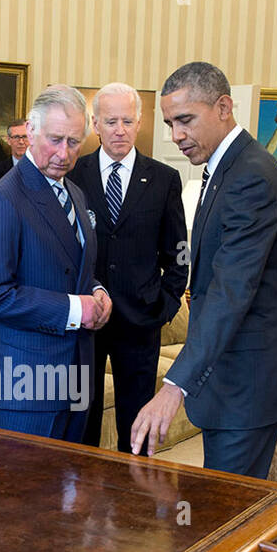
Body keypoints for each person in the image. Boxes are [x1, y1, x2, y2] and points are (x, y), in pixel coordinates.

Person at [131, 62, 277, 478]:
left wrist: (174, 386)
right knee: (228, 508)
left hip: (248, 379)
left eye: (185, 120)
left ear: (224, 107)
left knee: (229, 515)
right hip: (230, 377)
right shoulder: (225, 169)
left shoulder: (253, 178)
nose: (176, 135)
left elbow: (232, 291)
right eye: (170, 123)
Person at [0, 84, 110, 442]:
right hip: (25, 384)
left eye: (74, 142)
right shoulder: (4, 199)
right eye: (55, 139)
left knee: (68, 492)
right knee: (21, 496)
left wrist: (95, 289)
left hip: (75, 375)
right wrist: (75, 309)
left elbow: (73, 266)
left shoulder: (73, 191)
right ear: (30, 131)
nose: (64, 153)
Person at [68, 82, 187, 451]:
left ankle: (133, 499)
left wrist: (164, 307)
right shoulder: (73, 174)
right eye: (110, 121)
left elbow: (179, 252)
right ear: (95, 124)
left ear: (139, 125)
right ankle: (80, 497)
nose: (119, 129)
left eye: (127, 121)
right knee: (81, 417)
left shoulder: (164, 179)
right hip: (86, 322)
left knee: (136, 426)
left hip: (141, 322)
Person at [0, 120, 31, 192]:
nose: (21, 142)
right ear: (8, 140)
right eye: (16, 137)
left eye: (25, 137)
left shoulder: (43, 171)